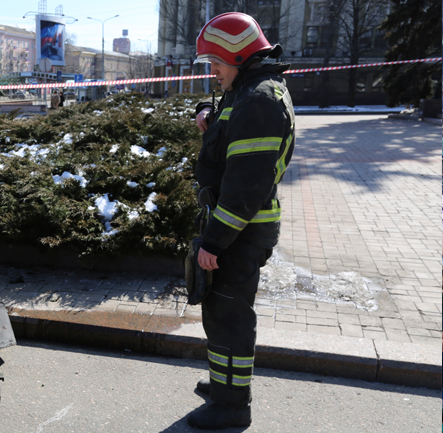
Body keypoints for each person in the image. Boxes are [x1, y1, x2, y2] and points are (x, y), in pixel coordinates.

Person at [186, 12, 294, 430]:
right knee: (219, 313)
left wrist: (214, 241)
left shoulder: (259, 101)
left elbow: (245, 189)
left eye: (216, 63)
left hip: (239, 232)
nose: (212, 72)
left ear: (237, 54)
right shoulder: (249, 89)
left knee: (229, 317)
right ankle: (223, 385)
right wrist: (205, 114)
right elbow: (230, 126)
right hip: (237, 230)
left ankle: (231, 407)